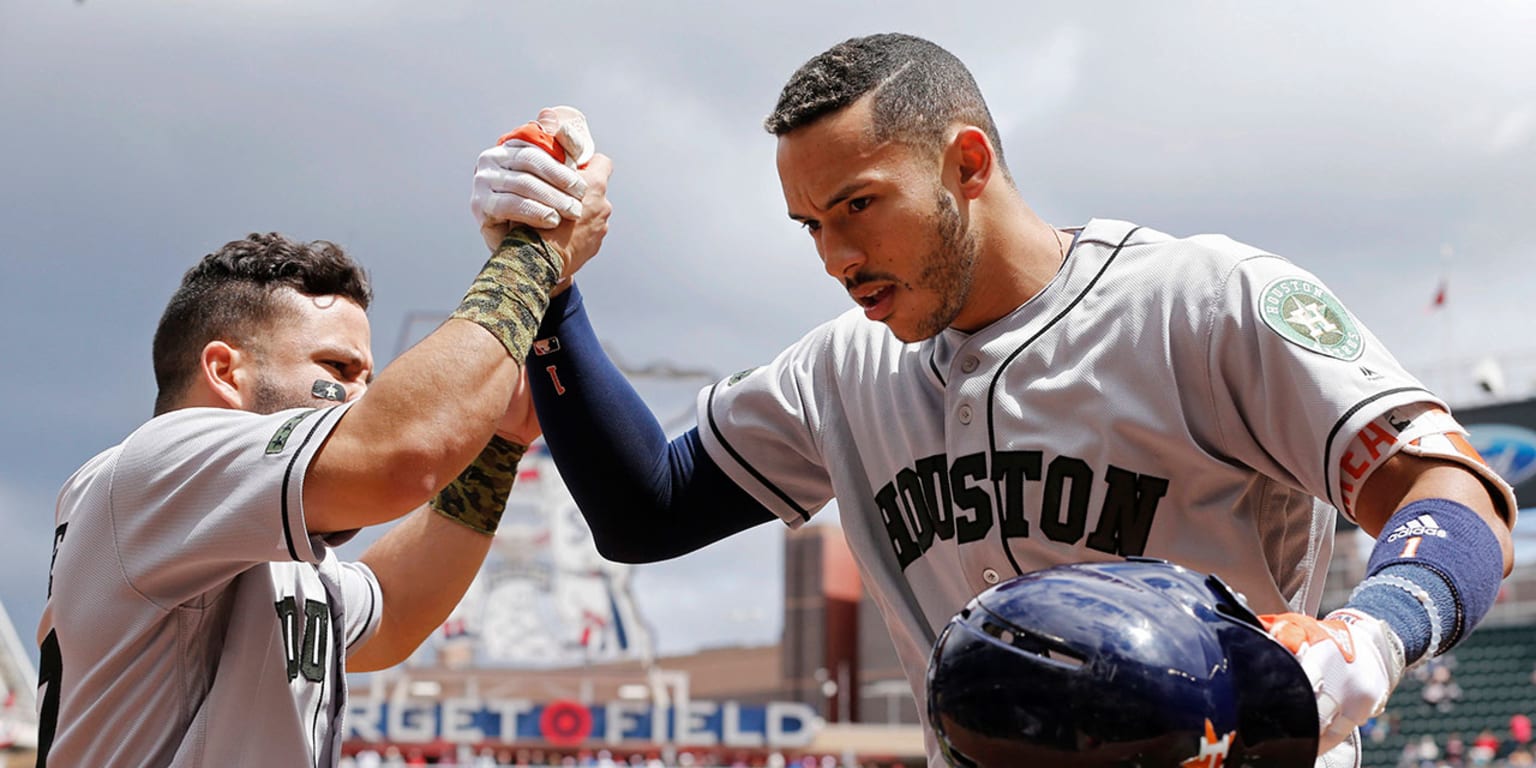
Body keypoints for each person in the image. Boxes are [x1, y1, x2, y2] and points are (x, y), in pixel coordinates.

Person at [472, 34, 1517, 766]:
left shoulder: (1200, 302)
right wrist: (550, 283)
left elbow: (1454, 492)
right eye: (810, 226)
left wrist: (1373, 638)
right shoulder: (843, 368)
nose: (837, 257)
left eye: (859, 207)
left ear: (966, 162)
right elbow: (646, 508)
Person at [37, 134, 612, 765]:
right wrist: (537, 256)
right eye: (336, 367)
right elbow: (401, 453)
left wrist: (500, 444)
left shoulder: (239, 528)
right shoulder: (162, 458)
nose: (359, 397)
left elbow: (391, 612)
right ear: (226, 372)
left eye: (366, 376)